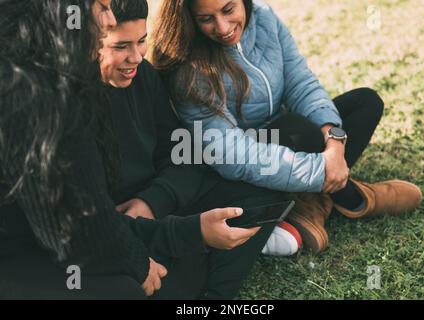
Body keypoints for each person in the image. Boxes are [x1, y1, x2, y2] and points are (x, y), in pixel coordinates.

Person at [0, 0, 278, 300]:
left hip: (142, 214)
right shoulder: (48, 98)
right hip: (103, 234)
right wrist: (183, 234)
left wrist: (153, 201)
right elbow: (82, 228)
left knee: (256, 187)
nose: (135, 56)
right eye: (120, 46)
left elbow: (181, 154)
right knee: (129, 286)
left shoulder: (142, 75)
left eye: (142, 41)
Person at [152, 0, 423, 254]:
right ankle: (353, 198)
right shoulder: (188, 69)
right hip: (240, 166)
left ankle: (313, 205)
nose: (222, 27)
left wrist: (334, 142)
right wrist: (321, 171)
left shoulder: (264, 17)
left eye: (228, 9)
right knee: (299, 129)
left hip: (288, 137)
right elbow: (231, 156)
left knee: (365, 103)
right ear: (189, 19)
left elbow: (300, 83)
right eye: (206, 19)